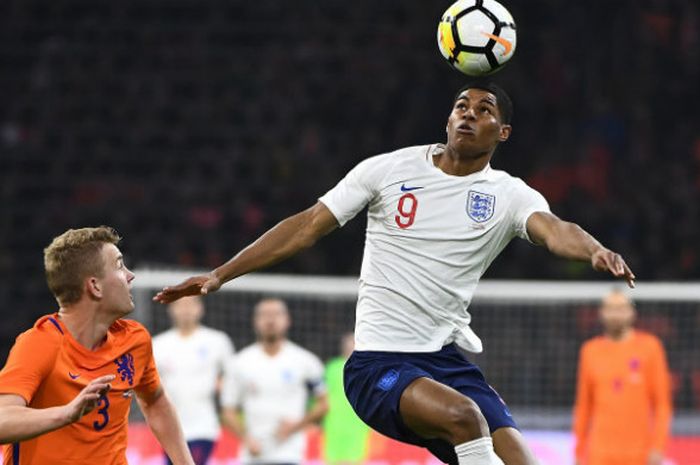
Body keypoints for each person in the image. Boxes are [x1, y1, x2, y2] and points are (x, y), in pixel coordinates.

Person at [154, 81, 636, 465]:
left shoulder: (508, 195)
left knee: (518, 459)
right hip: (377, 365)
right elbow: (306, 227)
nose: (468, 113)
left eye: (484, 109)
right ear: (448, 119)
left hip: (445, 362)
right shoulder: (388, 170)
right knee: (465, 417)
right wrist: (220, 274)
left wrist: (594, 250)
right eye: (460, 105)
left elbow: (554, 229)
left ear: (503, 132)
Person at [0, 226, 194, 465]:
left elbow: (155, 401)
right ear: (95, 286)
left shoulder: (134, 340)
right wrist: (67, 413)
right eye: (120, 265)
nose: (131, 275)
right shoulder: (40, 343)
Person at [220, 298, 329, 465]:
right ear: (255, 321)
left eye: (276, 314)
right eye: (264, 315)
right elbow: (228, 410)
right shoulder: (240, 363)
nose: (270, 320)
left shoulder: (306, 361)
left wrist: (297, 425)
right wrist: (246, 438)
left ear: (287, 320)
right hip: (252, 455)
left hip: (290, 454)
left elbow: (323, 404)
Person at [573, 289, 671, 465]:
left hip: (639, 453)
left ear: (632, 312)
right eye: (610, 308)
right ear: (601, 313)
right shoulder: (590, 350)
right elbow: (583, 405)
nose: (615, 315)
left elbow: (662, 404)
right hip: (600, 453)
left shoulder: (650, 347)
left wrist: (658, 446)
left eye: (621, 308)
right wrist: (579, 449)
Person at [153, 296, 235, 465]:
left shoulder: (218, 341)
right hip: (171, 428)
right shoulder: (158, 344)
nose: (186, 310)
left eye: (190, 304)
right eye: (180, 305)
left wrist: (223, 386)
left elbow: (233, 376)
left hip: (203, 425)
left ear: (200, 308)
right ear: (171, 309)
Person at [323, 332, 370, 465]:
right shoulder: (332, 367)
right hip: (334, 422)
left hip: (357, 422)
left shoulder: (365, 369)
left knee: (354, 458)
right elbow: (321, 396)